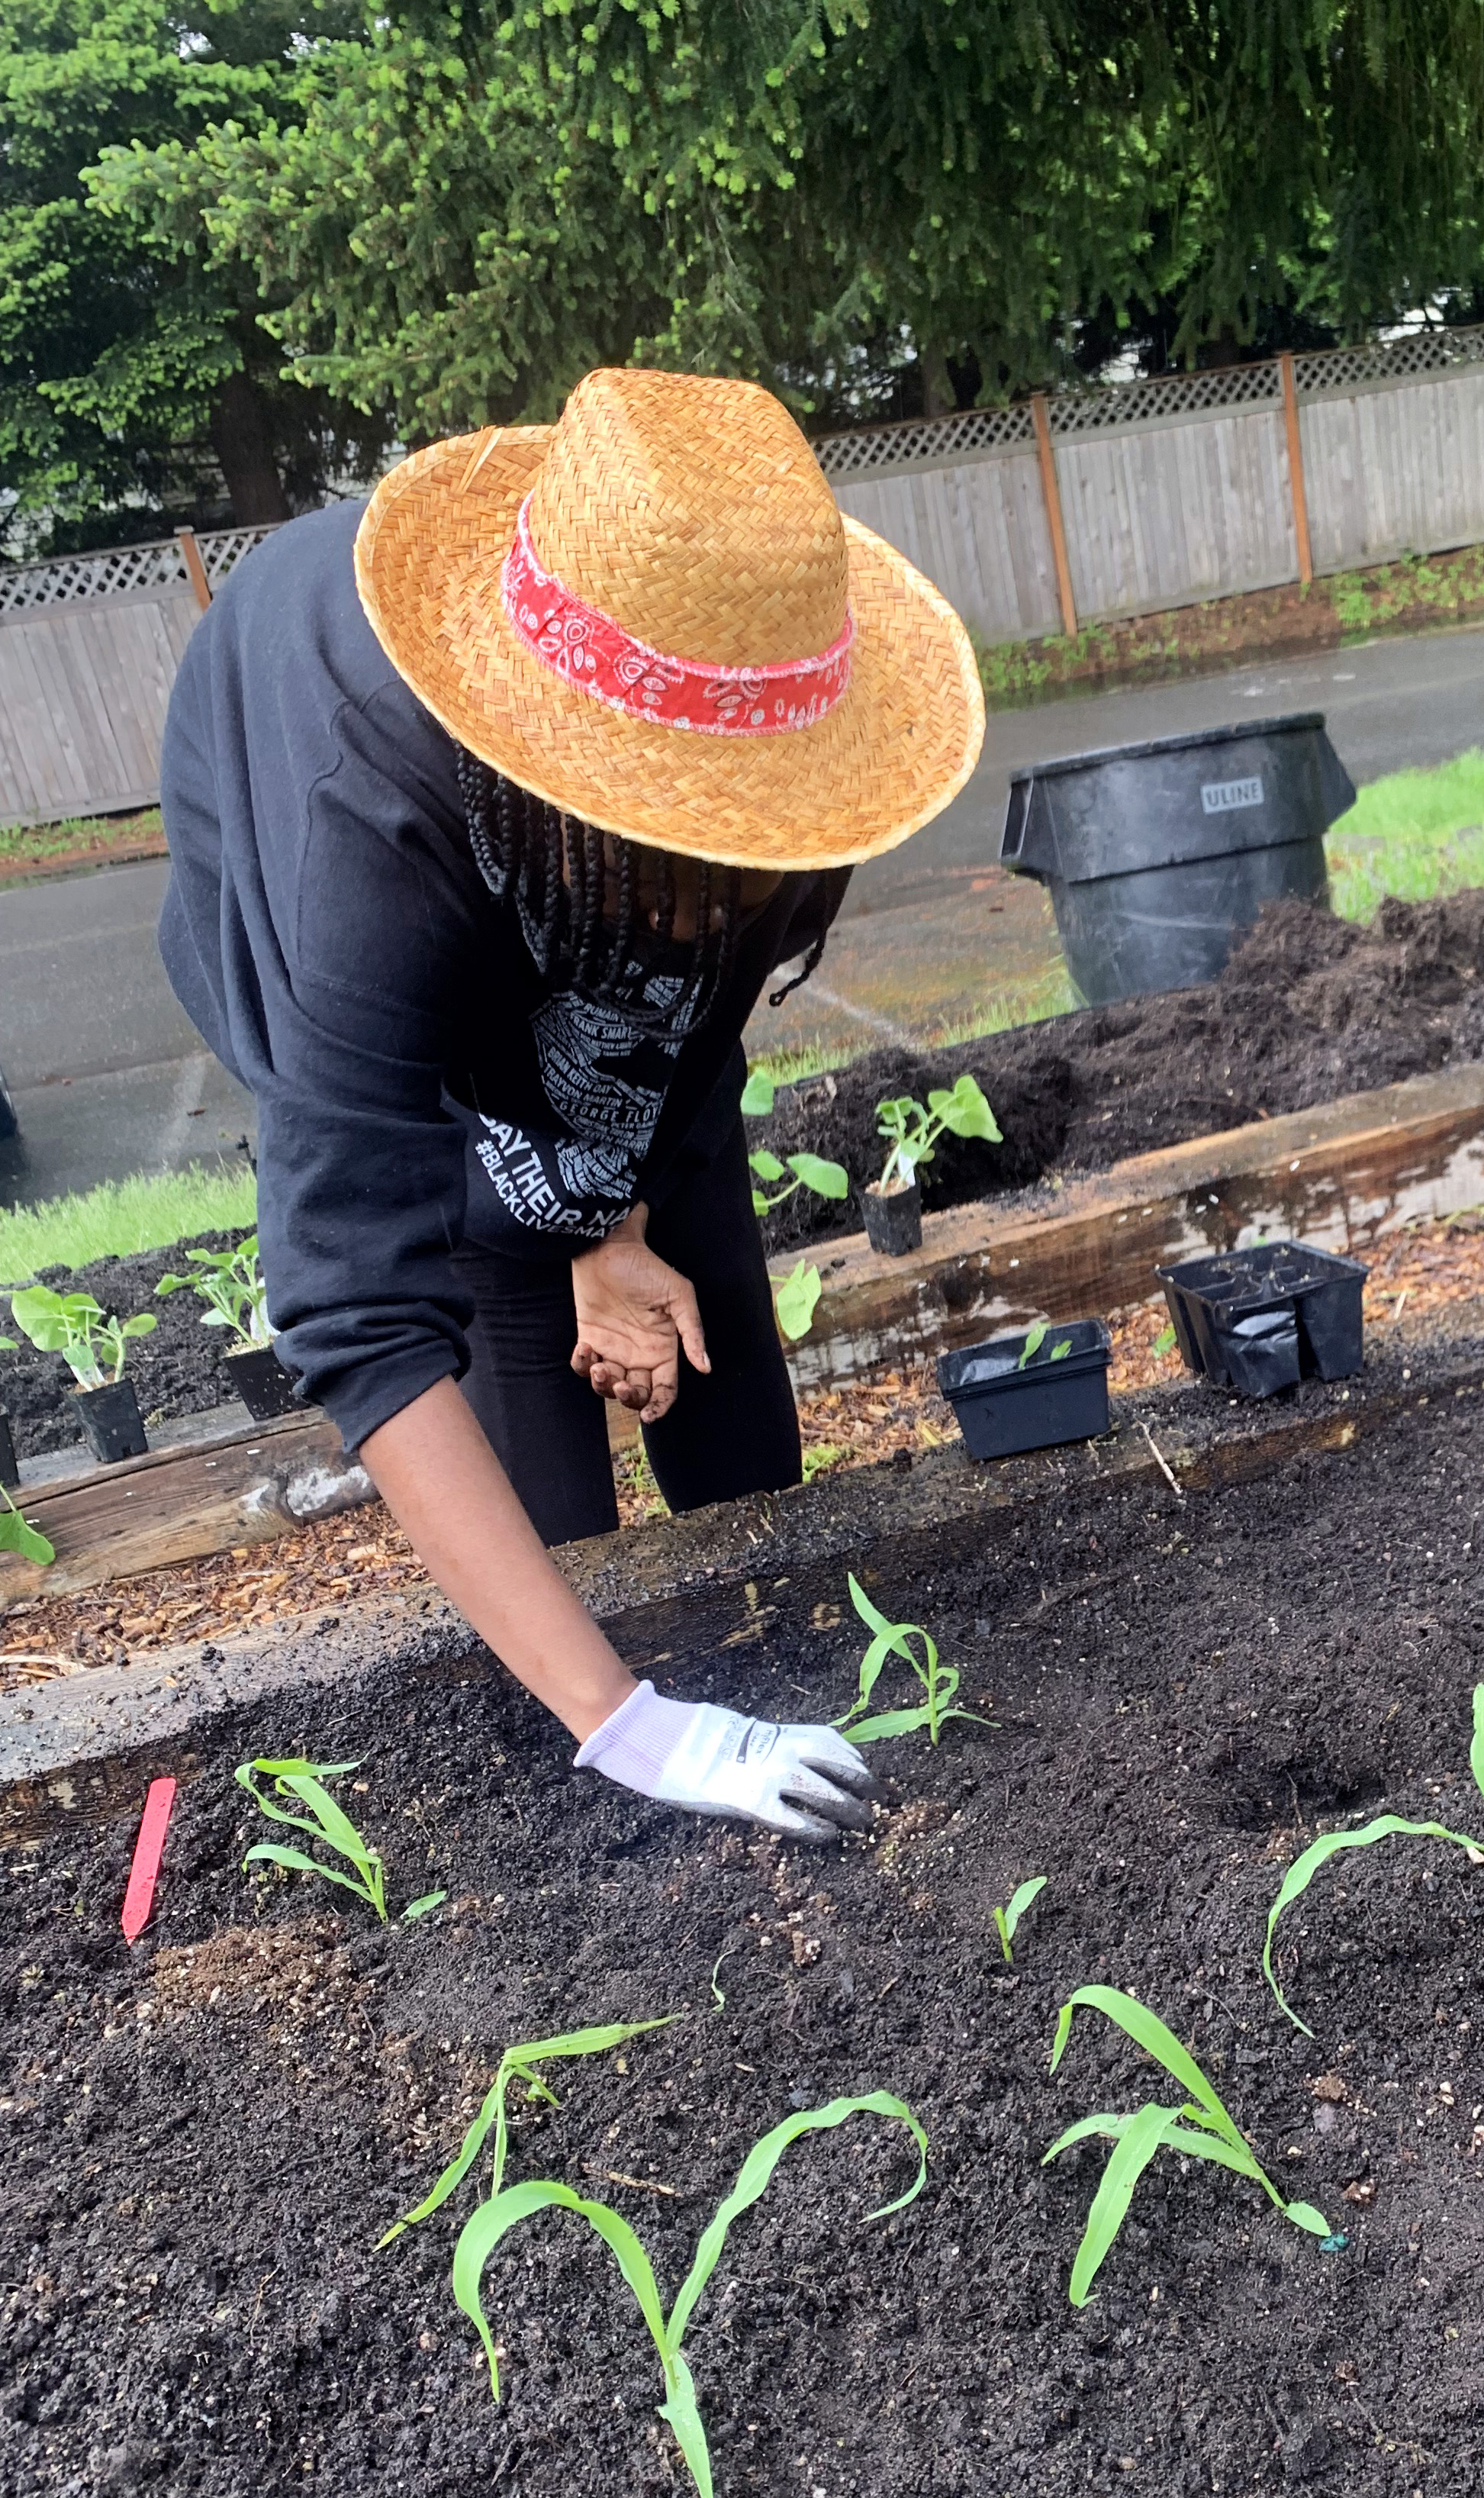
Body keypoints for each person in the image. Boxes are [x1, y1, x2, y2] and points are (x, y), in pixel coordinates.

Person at [158, 365, 983, 1839]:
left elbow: (683, 1038)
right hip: (398, 958)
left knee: (714, 1352)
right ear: (581, 787)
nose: (714, 911)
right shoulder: (365, 836)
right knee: (542, 1470)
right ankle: (596, 1716)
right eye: (691, 858)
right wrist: (631, 1727)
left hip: (576, 970)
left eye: (756, 853)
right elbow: (354, 1307)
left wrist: (622, 1227)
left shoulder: (741, 768)